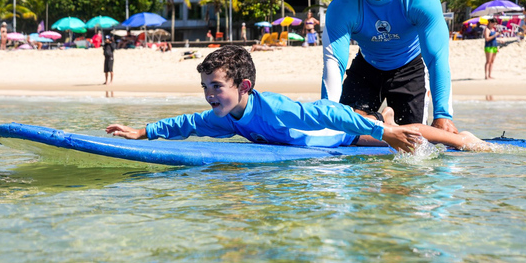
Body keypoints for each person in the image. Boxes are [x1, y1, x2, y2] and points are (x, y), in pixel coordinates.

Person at [107, 45, 492, 153]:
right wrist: (143, 132)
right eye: (205, 87)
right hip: (335, 130)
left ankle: (463, 140)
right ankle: (386, 121)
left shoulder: (274, 108)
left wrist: (382, 132)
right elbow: (188, 124)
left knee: (406, 133)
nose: (209, 95)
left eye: (216, 87)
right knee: (392, 129)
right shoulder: (224, 115)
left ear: (244, 86)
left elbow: (325, 112)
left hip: (342, 132)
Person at [322, 0, 457, 133]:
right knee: (345, 128)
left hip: (410, 69)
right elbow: (334, 63)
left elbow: (436, 59)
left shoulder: (421, 0)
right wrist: (329, 113)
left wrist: (443, 115)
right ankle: (381, 120)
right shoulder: (342, 7)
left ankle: (383, 122)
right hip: (367, 68)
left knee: (412, 140)